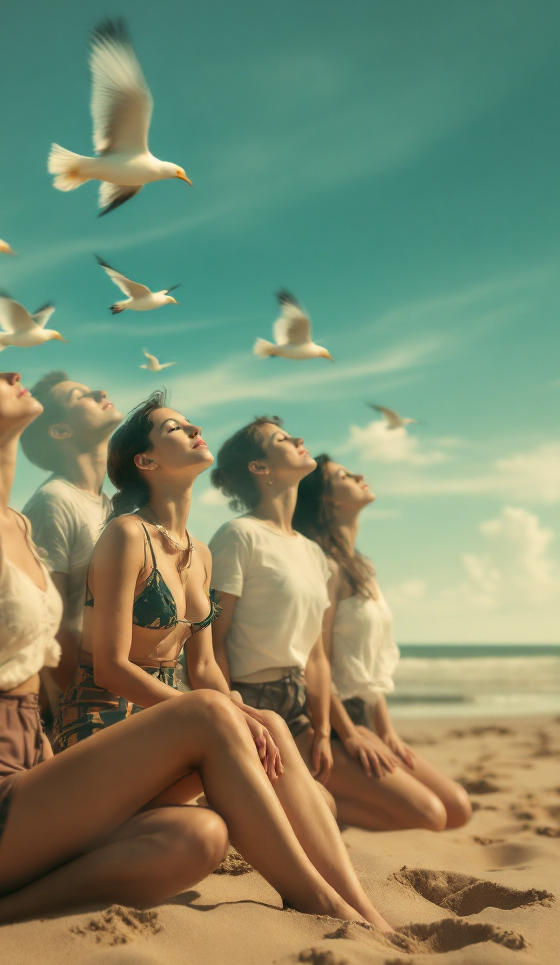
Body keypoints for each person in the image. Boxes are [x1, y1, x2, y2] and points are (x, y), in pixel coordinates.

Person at [0, 351, 392, 948]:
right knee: (212, 712)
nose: (15, 373)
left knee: (202, 836)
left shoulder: (15, 524)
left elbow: (27, 676)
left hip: (23, 782)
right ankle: (326, 906)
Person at [53, 393, 390, 931]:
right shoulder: (125, 535)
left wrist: (236, 708)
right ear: (146, 461)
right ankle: (321, 901)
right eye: (175, 428)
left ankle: (357, 905)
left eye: (191, 424)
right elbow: (111, 667)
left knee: (272, 723)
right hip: (103, 726)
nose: (194, 430)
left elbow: (206, 667)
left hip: (171, 723)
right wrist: (219, 714)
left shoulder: (200, 552)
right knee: (251, 728)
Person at [293, 457, 472, 832]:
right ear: (327, 500)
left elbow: (366, 666)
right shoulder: (324, 565)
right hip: (326, 721)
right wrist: (350, 732)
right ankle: (295, 801)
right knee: (429, 816)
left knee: (456, 808)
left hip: (363, 716)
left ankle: (318, 799)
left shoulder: (360, 567)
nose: (360, 476)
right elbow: (316, 658)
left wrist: (386, 730)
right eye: (343, 476)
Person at [208, 416, 337, 786]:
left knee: (425, 808)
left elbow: (316, 655)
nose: (298, 437)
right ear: (259, 466)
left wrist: (323, 731)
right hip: (250, 698)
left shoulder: (313, 553)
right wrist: (234, 709)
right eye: (281, 438)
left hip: (298, 706)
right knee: (321, 806)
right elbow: (214, 639)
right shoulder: (239, 536)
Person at [20, 371, 123, 696]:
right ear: (61, 430)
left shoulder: (111, 508)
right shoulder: (53, 502)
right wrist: (77, 704)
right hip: (87, 698)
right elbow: (51, 625)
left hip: (117, 685)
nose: (99, 390)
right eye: (79, 396)